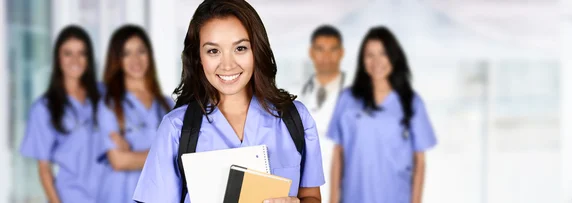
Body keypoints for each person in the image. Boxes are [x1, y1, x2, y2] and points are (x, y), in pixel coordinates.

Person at [132, 1, 325, 203]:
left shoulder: (295, 119)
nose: (227, 65)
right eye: (213, 51)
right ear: (198, 57)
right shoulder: (177, 129)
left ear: (256, 50)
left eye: (240, 48)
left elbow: (311, 196)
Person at [328, 27, 437, 203]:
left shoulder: (411, 102)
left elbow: (420, 160)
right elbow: (338, 154)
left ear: (394, 57)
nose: (376, 61)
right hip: (353, 197)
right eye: (370, 55)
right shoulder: (348, 99)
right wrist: (333, 200)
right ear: (362, 60)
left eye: (383, 54)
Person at [20, 25, 103, 203]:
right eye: (68, 53)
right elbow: (44, 169)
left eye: (82, 53)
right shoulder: (44, 108)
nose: (75, 60)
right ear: (58, 58)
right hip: (72, 197)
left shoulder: (102, 95)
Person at [96, 25, 173, 203]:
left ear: (149, 55)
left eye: (141, 51)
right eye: (126, 53)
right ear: (117, 60)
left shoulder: (168, 105)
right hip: (120, 195)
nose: (135, 59)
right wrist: (163, 154)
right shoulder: (109, 104)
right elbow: (119, 161)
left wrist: (134, 156)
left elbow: (181, 155)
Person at [297, 25, 346, 203]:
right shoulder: (296, 95)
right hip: (305, 190)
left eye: (332, 50)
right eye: (320, 49)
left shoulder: (355, 98)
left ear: (341, 53)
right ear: (311, 52)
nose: (326, 57)